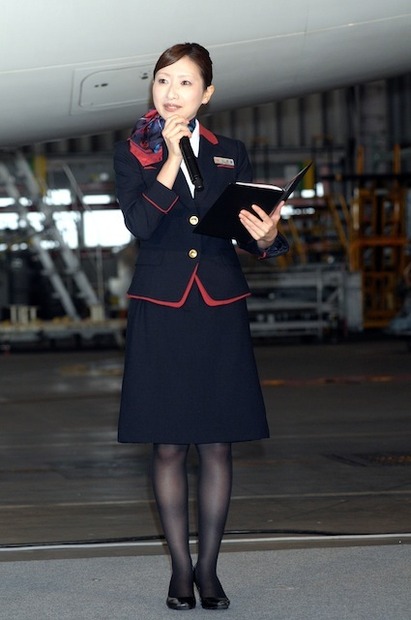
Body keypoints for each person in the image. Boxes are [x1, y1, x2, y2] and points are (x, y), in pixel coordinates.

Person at [114, 42, 289, 611]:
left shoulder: (231, 152)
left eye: (185, 83)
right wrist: (166, 157)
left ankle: (209, 571)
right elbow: (141, 223)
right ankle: (180, 572)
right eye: (163, 80)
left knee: (216, 445)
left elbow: (250, 230)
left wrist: (267, 240)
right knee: (167, 446)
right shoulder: (134, 153)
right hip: (160, 309)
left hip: (218, 307)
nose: (170, 92)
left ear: (207, 93)